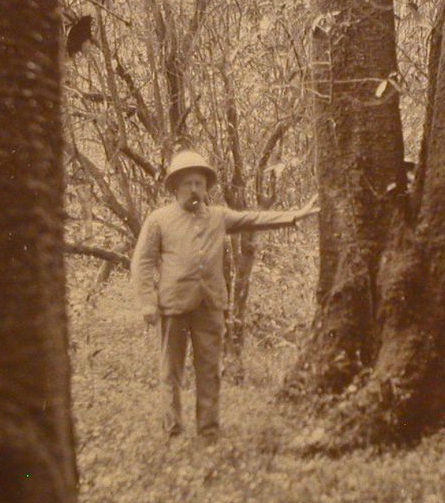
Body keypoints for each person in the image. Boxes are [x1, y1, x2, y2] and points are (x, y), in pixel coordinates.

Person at [131, 150, 318, 438]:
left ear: (206, 188)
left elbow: (253, 218)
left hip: (210, 304)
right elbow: (142, 262)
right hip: (173, 305)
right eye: (188, 183)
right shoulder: (159, 220)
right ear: (175, 187)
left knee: (209, 370)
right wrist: (147, 302)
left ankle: (208, 430)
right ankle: (172, 429)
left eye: (199, 184)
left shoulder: (218, 217)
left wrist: (295, 215)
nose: (194, 190)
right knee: (171, 371)